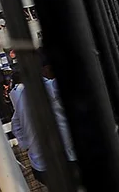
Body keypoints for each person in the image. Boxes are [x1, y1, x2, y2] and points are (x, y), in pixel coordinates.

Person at [11, 56, 77, 187]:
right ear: (44, 69)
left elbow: (15, 126)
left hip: (40, 166)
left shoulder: (22, 97)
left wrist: (29, 144)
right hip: (65, 160)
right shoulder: (48, 87)